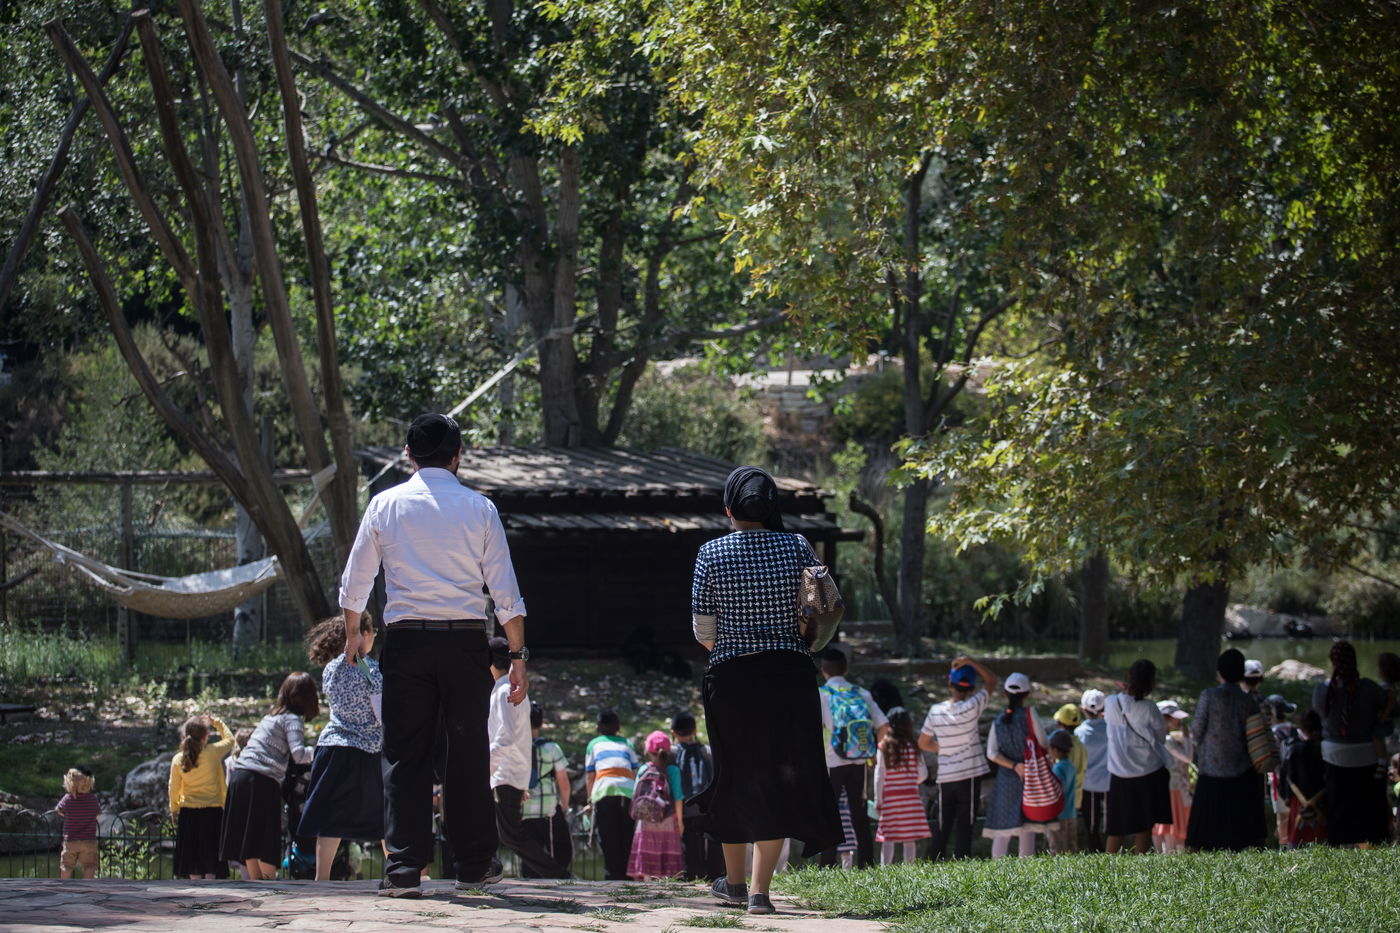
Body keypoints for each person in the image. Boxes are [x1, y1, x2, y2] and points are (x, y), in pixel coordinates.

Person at [338, 413, 530, 896]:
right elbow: (504, 589)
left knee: (404, 754)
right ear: (457, 455)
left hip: (406, 642)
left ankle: (404, 868)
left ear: (408, 454)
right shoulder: (480, 508)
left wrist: (352, 636)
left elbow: (356, 581)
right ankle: (474, 864)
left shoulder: (385, 504)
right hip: (466, 642)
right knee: (467, 753)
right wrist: (519, 654)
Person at [691, 465, 842, 916]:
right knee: (777, 775)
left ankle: (733, 884)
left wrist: (737, 649)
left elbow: (703, 631)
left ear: (728, 508)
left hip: (732, 680)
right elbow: (817, 607)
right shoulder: (797, 546)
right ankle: (760, 893)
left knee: (734, 773)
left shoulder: (710, 553)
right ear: (771, 505)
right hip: (790, 678)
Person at [298, 614, 384, 882]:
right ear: (363, 634)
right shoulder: (371, 670)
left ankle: (321, 878)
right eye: (373, 632)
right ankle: (397, 871)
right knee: (384, 816)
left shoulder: (331, 668)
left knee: (329, 819)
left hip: (332, 747)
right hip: (367, 749)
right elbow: (383, 716)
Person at [487, 637, 570, 879]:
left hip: (504, 772)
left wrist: (487, 766)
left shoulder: (505, 690)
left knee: (511, 835)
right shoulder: (507, 689)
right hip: (508, 772)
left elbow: (508, 736)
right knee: (505, 833)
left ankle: (558, 874)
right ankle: (485, 868)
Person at [220, 673, 317, 880]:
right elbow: (299, 755)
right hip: (261, 780)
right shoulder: (291, 720)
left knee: (249, 838)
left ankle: (258, 884)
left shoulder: (271, 716)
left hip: (240, 776)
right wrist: (321, 750)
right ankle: (271, 883)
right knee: (265, 836)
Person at [1186, 649, 1268, 852]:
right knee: (1241, 834)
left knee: (1204, 835)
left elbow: (1196, 732)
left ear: (1219, 672)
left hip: (1211, 770)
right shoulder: (1249, 700)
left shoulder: (1209, 695)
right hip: (1241, 770)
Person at [1311, 640, 1390, 846]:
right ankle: (1374, 839)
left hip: (1334, 754)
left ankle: (1339, 839)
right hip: (1366, 753)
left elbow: (1320, 715)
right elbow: (1387, 705)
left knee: (1339, 802)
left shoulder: (1322, 691)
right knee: (1367, 801)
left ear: (1332, 662)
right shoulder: (1369, 688)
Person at [918, 657, 998, 860]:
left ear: (950, 683)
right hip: (969, 775)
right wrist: (971, 662)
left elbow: (923, 742)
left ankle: (934, 860)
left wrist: (942, 748)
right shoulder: (972, 707)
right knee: (965, 823)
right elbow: (992, 681)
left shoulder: (935, 711)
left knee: (942, 823)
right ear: (971, 687)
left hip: (945, 776)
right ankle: (962, 861)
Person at [817, 646, 889, 869]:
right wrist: (872, 750)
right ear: (846, 669)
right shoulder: (862, 693)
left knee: (829, 812)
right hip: (859, 760)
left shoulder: (821, 694)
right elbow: (884, 725)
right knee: (859, 813)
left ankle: (827, 864)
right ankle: (866, 863)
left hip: (832, 761)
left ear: (823, 671)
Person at [1103, 659, 1171, 854]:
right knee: (1144, 825)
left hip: (1119, 773)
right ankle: (1141, 864)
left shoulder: (1110, 703)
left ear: (1128, 676)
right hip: (1148, 772)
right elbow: (1161, 739)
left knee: (1116, 827)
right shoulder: (1150, 708)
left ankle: (1107, 865)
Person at [983, 672, 1049, 858]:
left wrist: (1013, 765)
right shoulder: (1030, 714)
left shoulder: (998, 719)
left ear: (1004, 694)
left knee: (1003, 826)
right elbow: (1043, 743)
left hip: (1006, 778)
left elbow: (992, 753)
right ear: (1027, 694)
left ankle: (997, 870)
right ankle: (1026, 868)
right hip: (1030, 776)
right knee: (1027, 826)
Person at [169, 713, 236, 879]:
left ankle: (195, 897)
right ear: (206, 736)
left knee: (193, 862)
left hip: (188, 813)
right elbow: (230, 740)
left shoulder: (178, 759)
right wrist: (217, 723)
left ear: (185, 736)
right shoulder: (213, 752)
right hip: (212, 812)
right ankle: (212, 896)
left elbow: (173, 787)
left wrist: (174, 808)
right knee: (211, 859)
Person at [586, 710, 639, 880]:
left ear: (598, 727)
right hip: (628, 792)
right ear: (619, 727)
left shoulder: (593, 744)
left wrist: (590, 799)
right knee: (627, 833)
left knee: (608, 835)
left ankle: (612, 875)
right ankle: (628, 875)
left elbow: (590, 775)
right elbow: (635, 771)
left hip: (604, 791)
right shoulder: (627, 744)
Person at [521, 701, 573, 878]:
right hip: (548, 809)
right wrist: (564, 807)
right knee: (558, 853)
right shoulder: (552, 748)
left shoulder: (517, 748)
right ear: (540, 723)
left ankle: (529, 890)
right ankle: (557, 883)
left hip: (524, 809)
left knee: (529, 856)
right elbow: (563, 783)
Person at [873, 707, 930, 864]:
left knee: (888, 836)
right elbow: (923, 773)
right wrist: (910, 781)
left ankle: (885, 870)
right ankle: (909, 869)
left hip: (891, 798)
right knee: (909, 836)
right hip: (911, 797)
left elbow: (879, 775)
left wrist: (878, 799)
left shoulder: (884, 746)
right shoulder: (913, 746)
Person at [671, 711, 723, 881]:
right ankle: (715, 877)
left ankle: (692, 876)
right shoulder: (707, 751)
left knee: (690, 845)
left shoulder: (671, 753)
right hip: (707, 806)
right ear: (694, 730)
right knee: (714, 844)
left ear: (673, 732)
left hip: (684, 808)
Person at [627, 731, 685, 880]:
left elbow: (635, 796)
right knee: (667, 863)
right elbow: (678, 797)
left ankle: (647, 885)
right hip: (668, 821)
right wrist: (680, 822)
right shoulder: (673, 770)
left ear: (647, 750)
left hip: (646, 821)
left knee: (647, 858)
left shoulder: (643, 769)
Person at [1279, 708, 1327, 847]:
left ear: (1303, 728)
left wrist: (1287, 796)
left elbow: (1287, 776)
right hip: (1322, 800)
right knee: (1323, 838)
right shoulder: (1326, 749)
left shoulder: (1296, 750)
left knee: (1297, 840)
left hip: (1299, 801)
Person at [1151, 700, 1192, 854]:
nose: (1179, 721)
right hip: (1172, 787)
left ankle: (1164, 854)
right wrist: (1187, 738)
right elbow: (1188, 757)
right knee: (1170, 827)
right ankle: (1168, 855)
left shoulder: (1159, 738)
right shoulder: (1167, 740)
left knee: (1163, 827)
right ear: (1165, 717)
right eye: (1175, 717)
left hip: (1167, 785)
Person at [1075, 688, 1110, 852]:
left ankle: (1094, 851)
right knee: (1111, 823)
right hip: (1109, 782)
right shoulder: (1111, 729)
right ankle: (1113, 851)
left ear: (1083, 709)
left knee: (1092, 825)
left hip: (1088, 785)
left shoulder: (1079, 732)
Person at [1262, 694, 1299, 846]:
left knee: (1282, 817)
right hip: (1296, 779)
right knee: (1293, 813)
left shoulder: (1272, 733)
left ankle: (1284, 846)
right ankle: (1294, 843)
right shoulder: (1294, 730)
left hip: (1278, 780)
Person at [55, 766, 99, 879]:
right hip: (89, 840)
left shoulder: (67, 798)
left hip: (71, 840)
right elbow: (98, 813)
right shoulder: (92, 799)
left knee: (67, 865)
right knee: (89, 865)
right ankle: (87, 888)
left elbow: (58, 810)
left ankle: (65, 887)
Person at [1052, 703, 1088, 815]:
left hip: (1061, 800)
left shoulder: (1061, 749)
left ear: (1059, 723)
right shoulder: (1082, 746)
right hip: (1076, 799)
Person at [1046, 731, 1077, 854]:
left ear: (1056, 750)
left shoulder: (1058, 769)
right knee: (1071, 848)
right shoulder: (1070, 765)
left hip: (1058, 815)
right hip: (1071, 813)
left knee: (1057, 849)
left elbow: (1055, 790)